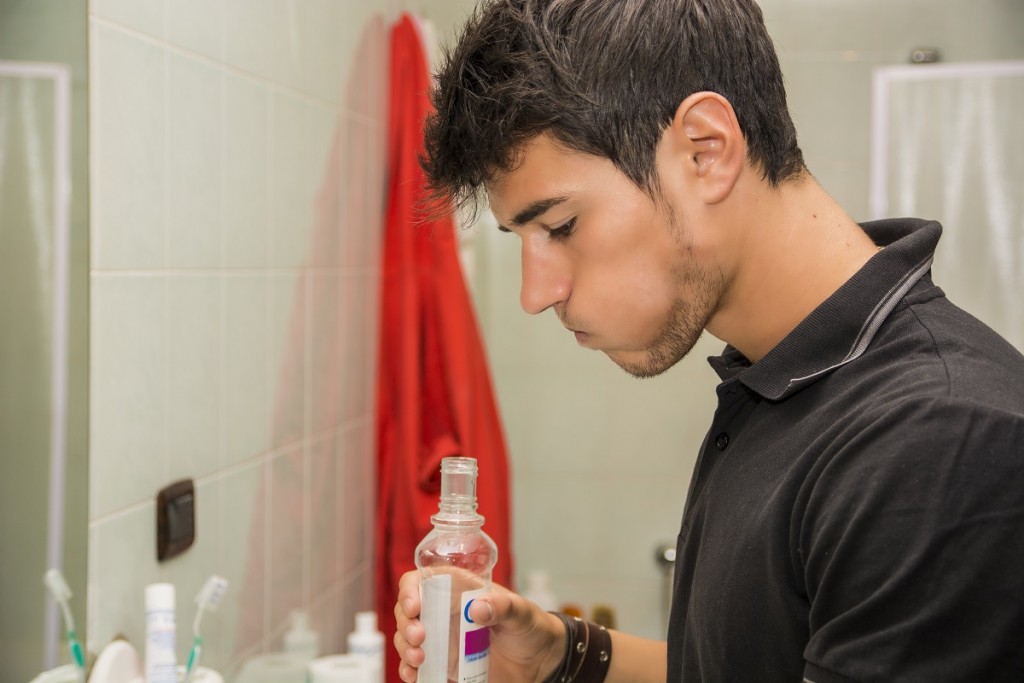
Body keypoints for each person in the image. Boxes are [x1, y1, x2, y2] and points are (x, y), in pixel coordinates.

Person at [393, 0, 1024, 681]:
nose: (534, 292)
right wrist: (560, 652)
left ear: (705, 150)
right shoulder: (780, 382)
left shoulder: (939, 440)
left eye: (563, 226)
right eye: (521, 240)